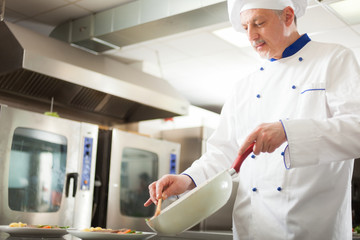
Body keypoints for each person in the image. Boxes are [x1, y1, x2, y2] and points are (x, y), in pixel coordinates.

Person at [144, 0, 360, 239]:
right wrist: (187, 179)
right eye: (245, 27)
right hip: (252, 229)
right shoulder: (244, 86)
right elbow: (224, 152)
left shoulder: (334, 59)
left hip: (313, 229)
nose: (251, 35)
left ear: (288, 16)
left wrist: (288, 131)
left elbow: (356, 129)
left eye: (259, 23)